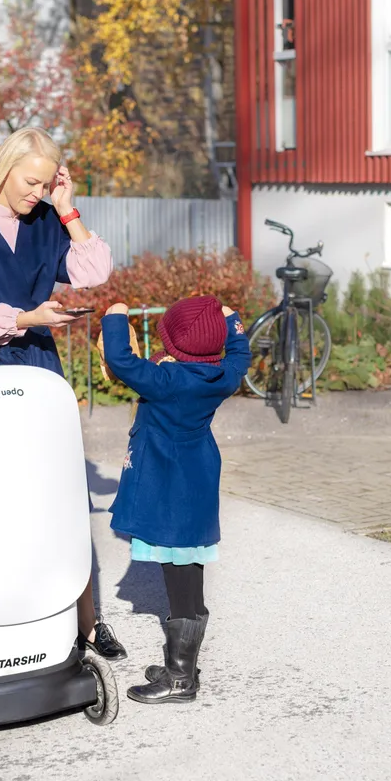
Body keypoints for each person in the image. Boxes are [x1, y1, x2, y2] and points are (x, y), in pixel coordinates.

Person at [0, 126, 125, 661]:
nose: (36, 193)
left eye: (47, 184)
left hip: (39, 365)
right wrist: (27, 317)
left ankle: (87, 622)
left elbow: (95, 270)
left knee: (62, 494)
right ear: (5, 169)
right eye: (31, 182)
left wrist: (67, 208)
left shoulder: (45, 221)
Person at [98, 295, 251, 704]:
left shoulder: (166, 381)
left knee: (180, 577)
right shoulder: (221, 376)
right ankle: (180, 662)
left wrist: (115, 319)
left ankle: (181, 679)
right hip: (196, 482)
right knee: (188, 569)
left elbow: (122, 360)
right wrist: (231, 317)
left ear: (172, 342)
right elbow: (241, 352)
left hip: (169, 490)